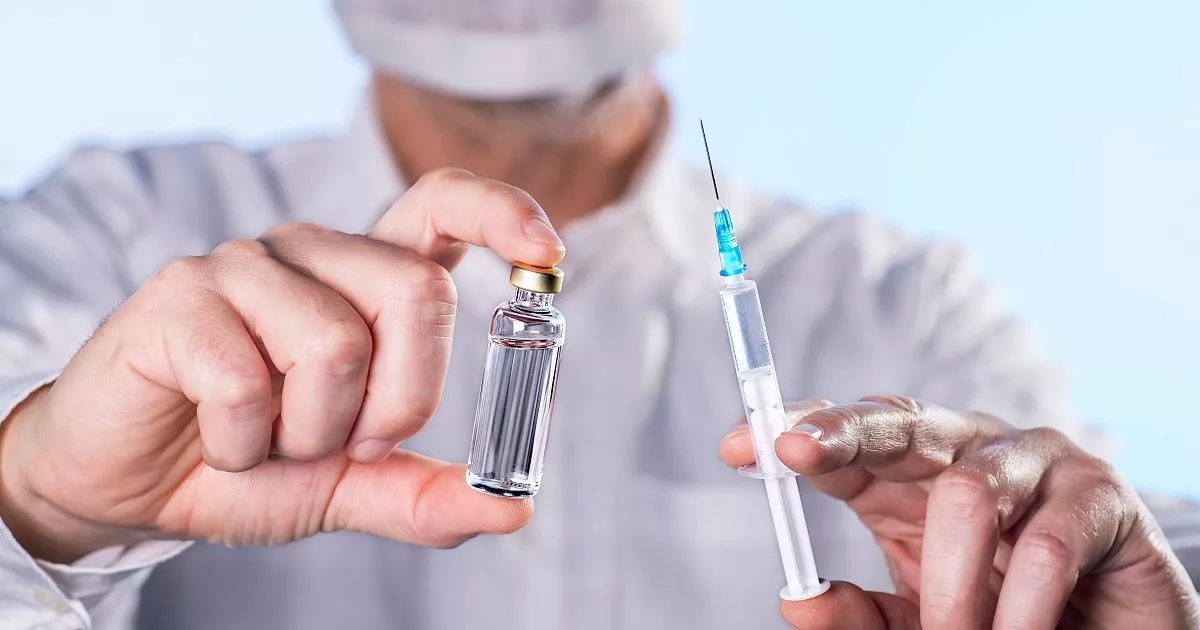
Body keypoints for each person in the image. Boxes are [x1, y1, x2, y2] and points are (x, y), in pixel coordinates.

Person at [0, 0, 1196, 628]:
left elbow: (1132, 553)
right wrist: (42, 505)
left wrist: (1129, 596)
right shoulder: (121, 231)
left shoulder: (902, 302)